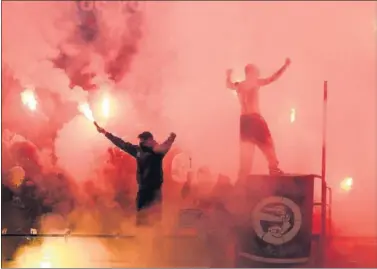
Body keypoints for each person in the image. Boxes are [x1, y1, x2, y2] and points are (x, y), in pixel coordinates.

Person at [94, 122, 176, 225]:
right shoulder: (138, 151)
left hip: (154, 190)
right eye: (140, 141)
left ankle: (154, 237)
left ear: (150, 140)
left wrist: (171, 139)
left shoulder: (157, 151)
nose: (141, 143)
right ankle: (142, 236)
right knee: (142, 218)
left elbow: (165, 146)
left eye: (143, 141)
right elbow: (121, 143)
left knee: (154, 218)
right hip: (143, 189)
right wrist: (105, 132)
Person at [226, 59, 291, 178]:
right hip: (254, 119)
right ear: (252, 73)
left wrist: (228, 75)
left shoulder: (239, 85)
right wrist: (285, 66)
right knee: (268, 144)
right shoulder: (254, 82)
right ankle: (273, 169)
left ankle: (242, 181)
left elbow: (228, 85)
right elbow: (272, 78)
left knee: (246, 153)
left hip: (244, 122)